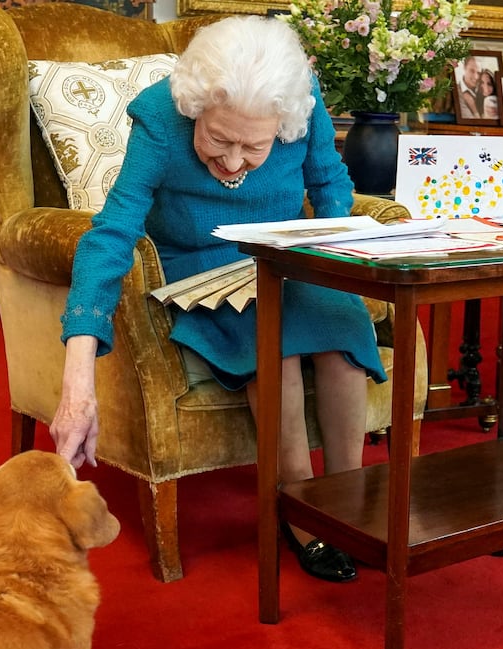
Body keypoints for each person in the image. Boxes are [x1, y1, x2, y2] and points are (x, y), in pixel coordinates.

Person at [53, 15, 383, 583]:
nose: (233, 163)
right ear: (195, 107)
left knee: (343, 338)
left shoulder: (300, 100)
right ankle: (300, 509)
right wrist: (78, 373)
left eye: (253, 147)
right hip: (199, 263)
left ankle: (345, 502)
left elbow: (330, 187)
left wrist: (341, 264)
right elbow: (112, 232)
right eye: (218, 140)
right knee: (272, 347)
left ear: (282, 122)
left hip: (286, 254)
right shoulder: (160, 115)